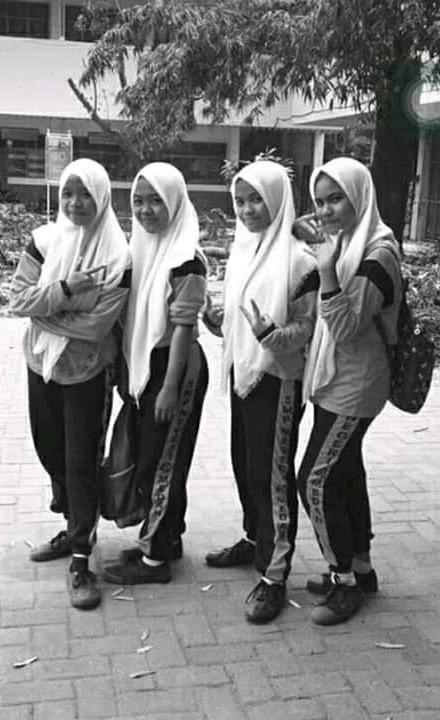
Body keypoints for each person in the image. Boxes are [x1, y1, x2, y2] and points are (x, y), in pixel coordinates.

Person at [9, 158, 131, 610]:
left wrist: (44, 313)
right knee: (50, 449)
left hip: (87, 373)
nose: (76, 203)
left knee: (81, 461)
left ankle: (81, 555)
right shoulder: (43, 240)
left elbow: (97, 328)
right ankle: (73, 526)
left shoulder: (118, 256)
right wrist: (64, 290)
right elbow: (17, 298)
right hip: (42, 364)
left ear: (102, 197)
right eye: (68, 193)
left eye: (85, 194)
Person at [204, 160, 318, 624]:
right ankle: (255, 539)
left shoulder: (301, 262)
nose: (248, 209)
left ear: (277, 200)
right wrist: (217, 322)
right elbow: (241, 319)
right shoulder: (244, 249)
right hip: (243, 375)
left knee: (272, 477)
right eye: (240, 201)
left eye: (257, 200)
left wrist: (271, 335)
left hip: (278, 381)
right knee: (244, 464)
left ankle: (274, 574)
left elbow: (307, 328)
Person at [297, 156, 402, 625]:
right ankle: (361, 568)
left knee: (314, 480)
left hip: (356, 386)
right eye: (319, 202)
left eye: (336, 199)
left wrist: (326, 269)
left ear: (359, 196)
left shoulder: (377, 257)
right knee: (345, 474)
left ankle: (343, 583)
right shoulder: (346, 242)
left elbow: (341, 326)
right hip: (336, 379)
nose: (325, 211)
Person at [103, 162, 209, 586]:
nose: (146, 210)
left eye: (156, 201)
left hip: (175, 370)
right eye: (138, 201)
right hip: (148, 365)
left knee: (163, 463)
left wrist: (169, 388)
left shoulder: (186, 260)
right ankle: (166, 537)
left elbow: (183, 327)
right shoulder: (141, 248)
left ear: (175, 203)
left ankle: (154, 560)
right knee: (154, 456)